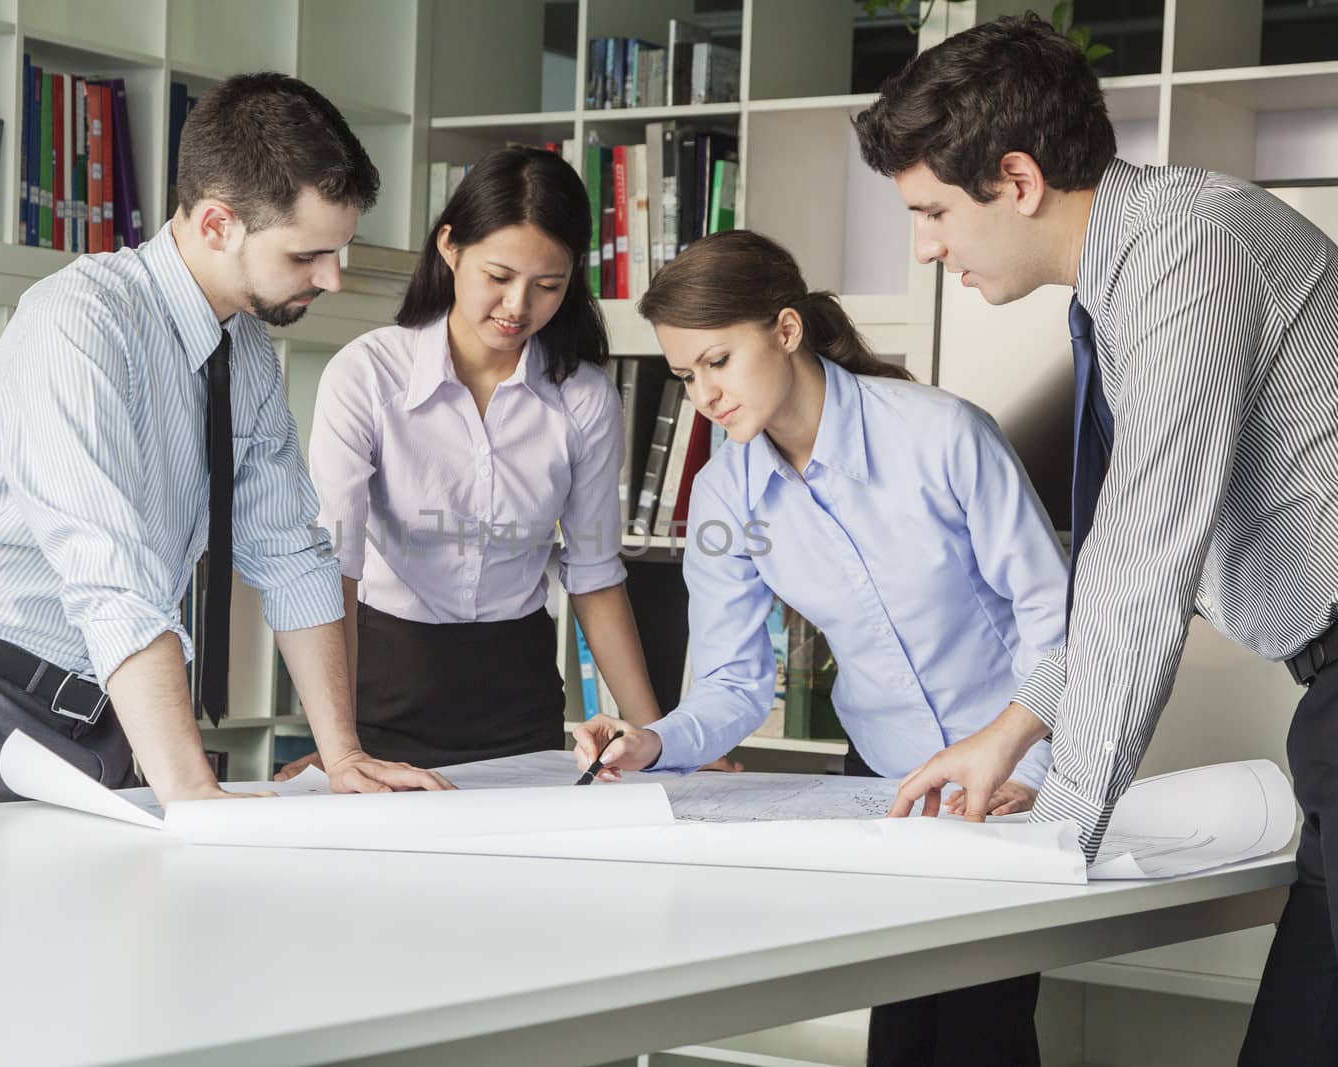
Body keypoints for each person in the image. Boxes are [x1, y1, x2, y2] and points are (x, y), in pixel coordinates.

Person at [853, 14, 1338, 1064]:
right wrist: (1017, 722)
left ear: (1017, 180)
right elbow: (1144, 552)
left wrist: (1044, 845)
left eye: (932, 210)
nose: (925, 245)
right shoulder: (1143, 267)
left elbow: (1144, 556)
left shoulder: (1187, 250)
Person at [0, 72, 450, 813]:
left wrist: (343, 752)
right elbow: (110, 572)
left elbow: (291, 551)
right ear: (218, 223)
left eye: (338, 251)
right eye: (306, 255)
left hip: (102, 712)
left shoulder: (246, 351)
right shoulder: (81, 319)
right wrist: (193, 789)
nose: (333, 278)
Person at [571, 228, 1069, 1066]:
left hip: (1016, 778)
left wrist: (1029, 772)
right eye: (686, 377)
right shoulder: (725, 490)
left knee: (982, 1032)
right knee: (903, 1035)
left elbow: (1055, 617)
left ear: (787, 330)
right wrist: (649, 739)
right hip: (888, 789)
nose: (704, 397)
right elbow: (733, 682)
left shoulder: (942, 436)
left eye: (718, 362)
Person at [279, 146, 679, 771]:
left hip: (518, 691)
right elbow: (337, 571)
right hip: (385, 683)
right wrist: (340, 748)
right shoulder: (367, 376)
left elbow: (596, 575)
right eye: (498, 277)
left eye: (548, 285)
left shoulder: (584, 397)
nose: (518, 307)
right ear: (450, 247)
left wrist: (664, 743)